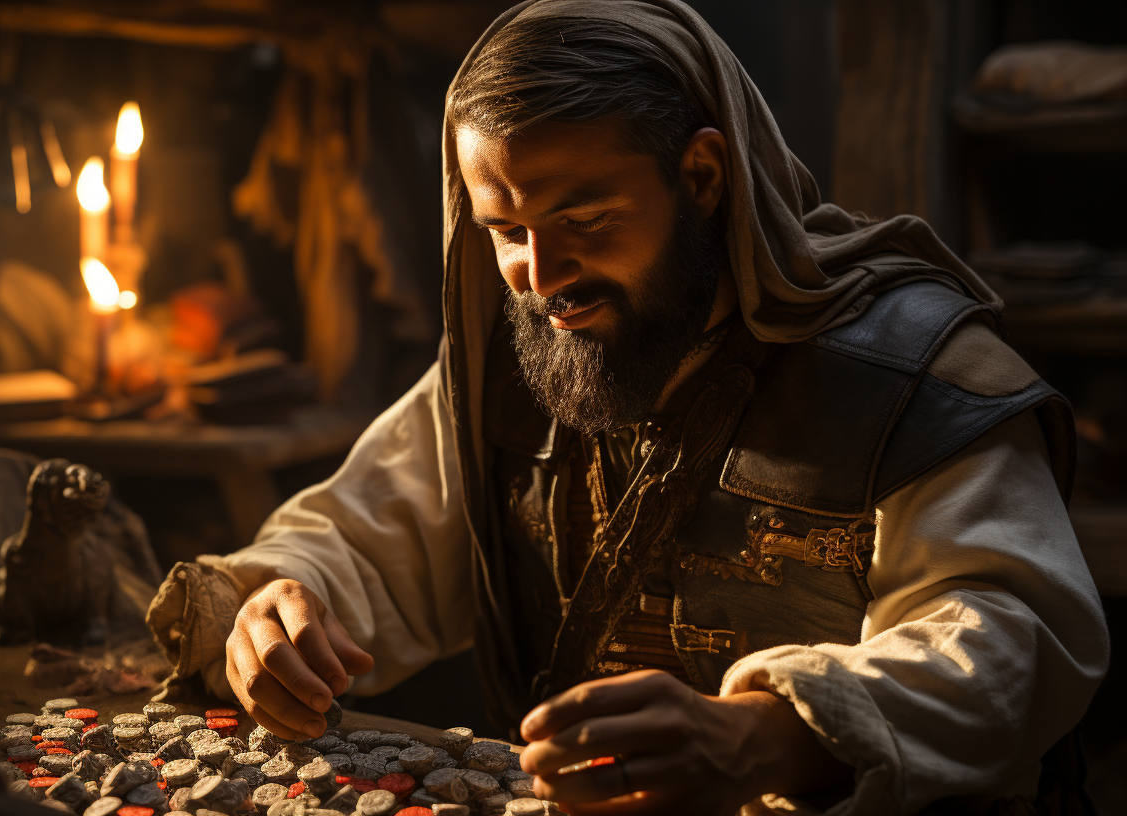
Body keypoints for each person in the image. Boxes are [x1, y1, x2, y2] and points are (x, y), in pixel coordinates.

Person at [147, 2, 1108, 813]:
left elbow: (1009, 633)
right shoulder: (525, 350)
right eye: (507, 231)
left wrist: (767, 736)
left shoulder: (920, 377)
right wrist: (275, 600)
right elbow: (366, 537)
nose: (543, 277)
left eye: (585, 219)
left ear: (701, 177)